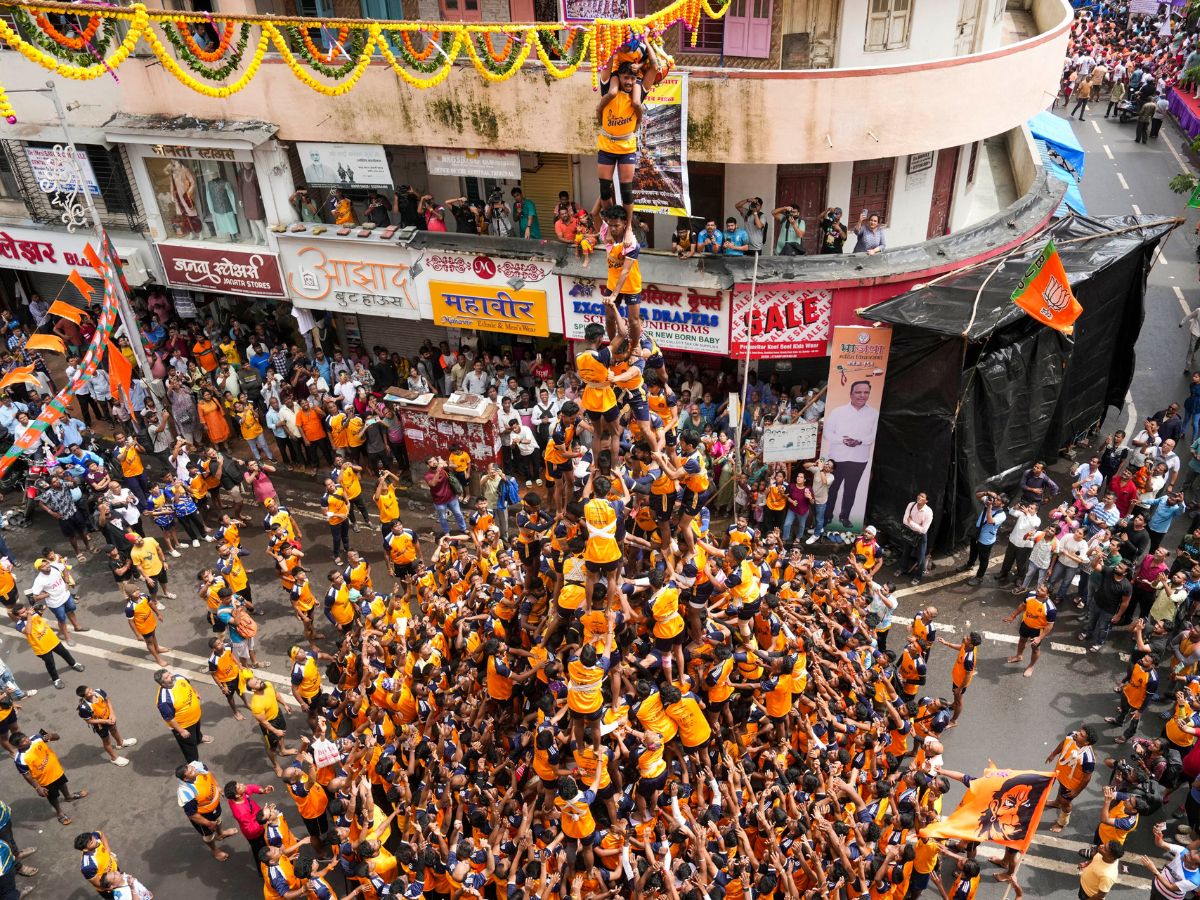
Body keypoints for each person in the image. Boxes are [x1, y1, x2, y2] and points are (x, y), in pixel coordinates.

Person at [822, 380, 878, 530]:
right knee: (832, 489)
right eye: (858, 392)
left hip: (859, 459)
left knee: (851, 490)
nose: (862, 395)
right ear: (851, 394)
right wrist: (843, 440)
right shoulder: (838, 411)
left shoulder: (874, 414)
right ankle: (827, 516)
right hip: (837, 458)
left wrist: (859, 441)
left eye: (866, 392)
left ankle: (844, 517)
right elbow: (827, 433)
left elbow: (873, 435)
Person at [12, 729, 87, 825]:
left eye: (26, 737)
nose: (27, 740)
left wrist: (51, 735)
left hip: (57, 771)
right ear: (18, 746)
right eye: (23, 741)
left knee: (63, 783)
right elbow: (26, 774)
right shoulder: (19, 759)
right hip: (45, 781)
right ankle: (59, 812)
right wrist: (38, 787)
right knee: (52, 796)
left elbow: (57, 737)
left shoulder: (36, 738)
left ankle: (68, 797)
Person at [155, 668, 210, 763]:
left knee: (197, 731)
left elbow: (189, 684)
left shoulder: (179, 678)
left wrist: (196, 692)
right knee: (189, 747)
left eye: (169, 673)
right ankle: (194, 764)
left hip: (195, 717)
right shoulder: (164, 700)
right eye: (167, 677)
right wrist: (181, 731)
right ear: (162, 683)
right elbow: (169, 718)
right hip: (184, 726)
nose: (171, 676)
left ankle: (199, 738)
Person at [76, 684, 136, 767]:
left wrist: (112, 714)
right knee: (106, 741)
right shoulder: (84, 708)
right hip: (99, 725)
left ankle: (120, 743)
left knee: (114, 729)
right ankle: (114, 758)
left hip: (109, 717)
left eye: (89, 689)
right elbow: (89, 721)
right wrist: (105, 721)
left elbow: (107, 700)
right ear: (84, 696)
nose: (91, 692)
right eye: (88, 693)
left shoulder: (99, 692)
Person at [1004, 584, 1056, 677]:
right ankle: (1019, 656)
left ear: (1047, 594)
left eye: (1042, 590)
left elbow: (1050, 625)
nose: (1038, 590)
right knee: (1022, 640)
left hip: (1037, 630)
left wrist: (1039, 638)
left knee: (1035, 649)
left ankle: (1031, 666)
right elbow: (1022, 605)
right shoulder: (1030, 594)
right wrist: (1012, 616)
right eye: (1039, 587)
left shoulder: (1050, 608)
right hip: (1025, 624)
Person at [965, 490, 1007, 585]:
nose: (995, 500)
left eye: (998, 500)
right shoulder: (989, 501)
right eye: (996, 498)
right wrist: (987, 493)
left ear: (1002, 504)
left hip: (986, 539)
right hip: (977, 533)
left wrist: (989, 507)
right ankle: (969, 565)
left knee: (983, 559)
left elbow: (990, 521)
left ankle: (979, 577)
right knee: (973, 552)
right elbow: (977, 495)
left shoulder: (1002, 515)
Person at [901, 492, 933, 584]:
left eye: (922, 496)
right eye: (919, 495)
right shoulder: (911, 505)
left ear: (926, 501)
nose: (919, 497)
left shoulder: (928, 512)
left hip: (920, 536)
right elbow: (904, 520)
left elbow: (923, 530)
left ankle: (918, 577)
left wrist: (911, 522)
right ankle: (903, 569)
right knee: (906, 551)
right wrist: (917, 526)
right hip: (909, 532)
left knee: (921, 557)